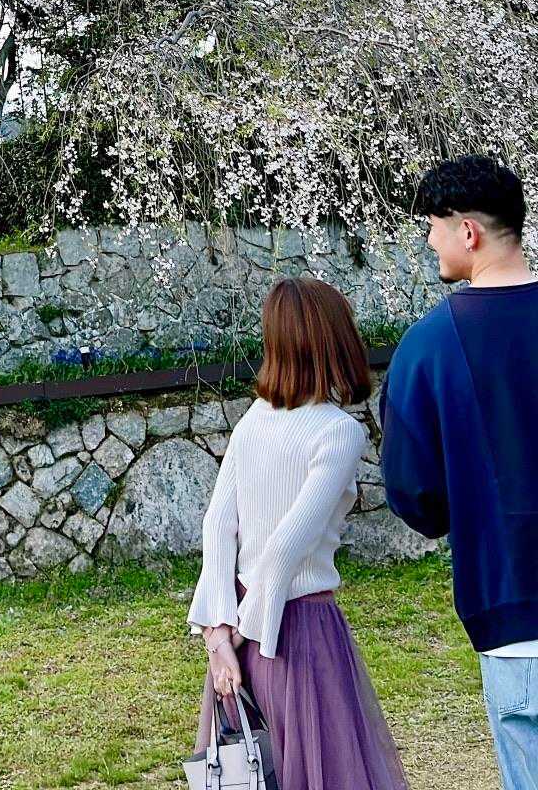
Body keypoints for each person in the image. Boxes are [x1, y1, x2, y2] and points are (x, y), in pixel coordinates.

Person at [188, 275, 409, 789]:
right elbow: (285, 547)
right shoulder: (338, 431)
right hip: (300, 632)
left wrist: (219, 634)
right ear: (334, 339)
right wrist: (237, 631)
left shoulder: (254, 419)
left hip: (243, 634)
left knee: (255, 770)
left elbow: (218, 525)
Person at [380, 155, 538, 790]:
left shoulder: (430, 345)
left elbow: (414, 492)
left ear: (467, 231)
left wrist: (468, 508)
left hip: (510, 608)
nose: (428, 240)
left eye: (432, 225)